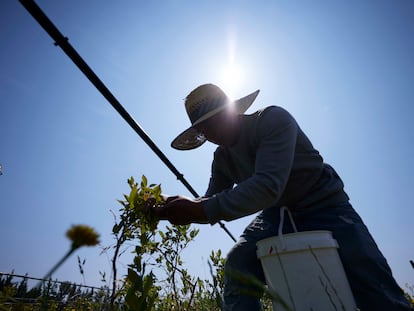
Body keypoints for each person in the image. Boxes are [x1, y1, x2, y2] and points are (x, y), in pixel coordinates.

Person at [154, 84, 412, 310]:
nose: (211, 133)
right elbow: (210, 199)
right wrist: (165, 206)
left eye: (214, 121)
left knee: (370, 277)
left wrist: (199, 211)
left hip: (325, 203)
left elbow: (267, 186)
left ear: (231, 110)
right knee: (238, 263)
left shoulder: (272, 120)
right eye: (204, 128)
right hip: (275, 214)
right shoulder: (221, 158)